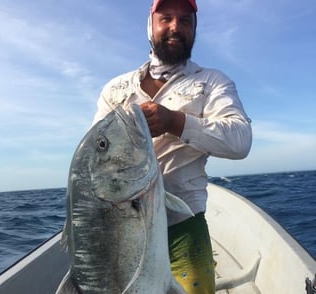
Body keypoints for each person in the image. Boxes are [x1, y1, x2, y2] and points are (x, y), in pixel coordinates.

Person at [93, 0, 252, 293]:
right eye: (166, 18)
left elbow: (240, 140)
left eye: (186, 21)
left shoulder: (211, 82)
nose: (175, 27)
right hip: (120, 230)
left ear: (194, 30)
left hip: (184, 228)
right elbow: (97, 157)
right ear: (150, 25)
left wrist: (177, 123)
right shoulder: (115, 89)